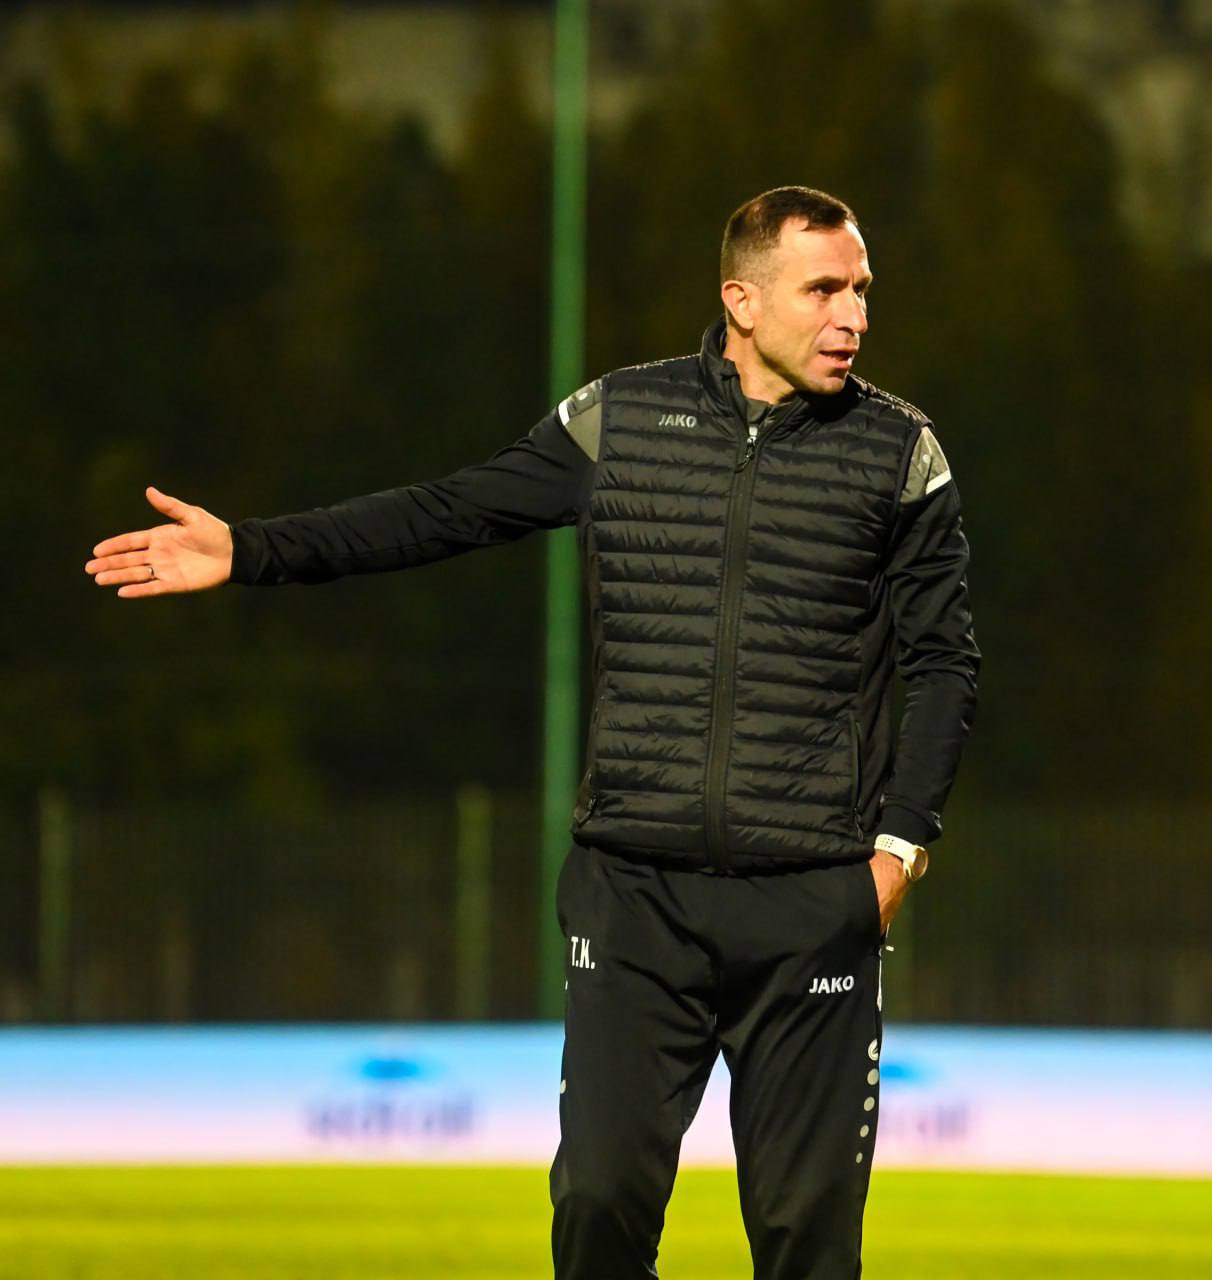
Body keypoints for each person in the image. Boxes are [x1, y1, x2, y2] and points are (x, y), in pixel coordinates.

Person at [86, 185, 979, 1279]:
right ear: (741, 301)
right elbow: (446, 511)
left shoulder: (900, 451)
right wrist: (252, 550)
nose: (854, 316)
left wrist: (897, 850)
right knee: (597, 1207)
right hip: (636, 900)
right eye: (825, 289)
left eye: (862, 290)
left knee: (807, 1242)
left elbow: (946, 661)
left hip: (811, 905)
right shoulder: (622, 417)